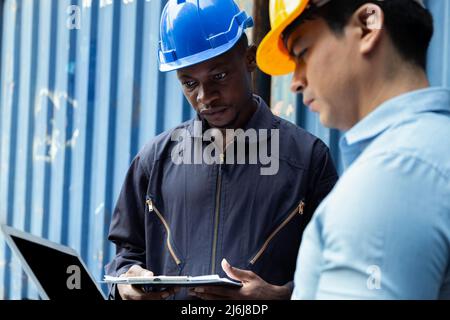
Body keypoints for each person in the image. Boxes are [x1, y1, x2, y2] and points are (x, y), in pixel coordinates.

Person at [105, 0, 338, 300]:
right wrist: (125, 281)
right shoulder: (155, 160)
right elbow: (126, 254)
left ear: (249, 59)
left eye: (219, 77)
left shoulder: (307, 160)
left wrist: (280, 297)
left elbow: (336, 278)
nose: (206, 97)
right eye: (189, 83)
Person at [257, 0, 450, 299]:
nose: (295, 82)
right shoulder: (434, 146)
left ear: (366, 26)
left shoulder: (391, 177)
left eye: (302, 52)